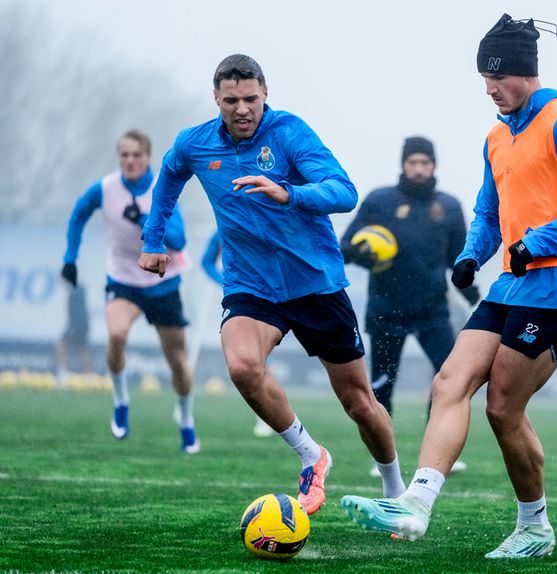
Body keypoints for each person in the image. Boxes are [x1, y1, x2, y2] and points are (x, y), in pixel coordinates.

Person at [341, 14, 557, 559]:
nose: (490, 90)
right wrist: (472, 255)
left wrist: (541, 242)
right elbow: (489, 212)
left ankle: (535, 527)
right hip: (510, 288)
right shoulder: (497, 137)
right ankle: (415, 505)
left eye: (497, 78)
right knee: (448, 380)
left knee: (502, 406)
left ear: (524, 72)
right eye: (483, 80)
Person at [138, 54, 405, 515]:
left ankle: (396, 491)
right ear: (216, 100)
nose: (242, 109)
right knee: (242, 367)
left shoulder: (289, 133)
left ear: (265, 94)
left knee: (360, 402)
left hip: (315, 283)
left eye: (250, 99)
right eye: (231, 101)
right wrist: (153, 239)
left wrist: (291, 193)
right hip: (252, 286)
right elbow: (168, 181)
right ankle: (311, 456)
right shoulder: (194, 144)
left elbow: (343, 191)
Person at [340, 136, 480, 476]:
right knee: (382, 386)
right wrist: (362, 254)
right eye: (413, 162)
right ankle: (382, 458)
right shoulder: (380, 201)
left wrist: (475, 295)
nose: (419, 169)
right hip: (386, 309)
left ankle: (439, 452)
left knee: (451, 380)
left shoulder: (448, 206)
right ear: (403, 165)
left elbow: (458, 260)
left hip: (433, 311)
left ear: (434, 166)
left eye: (425, 163)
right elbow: (345, 247)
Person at [62, 129, 199, 454]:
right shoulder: (106, 188)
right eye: (124, 155)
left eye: (136, 155)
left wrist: (148, 220)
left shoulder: (161, 188)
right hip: (123, 278)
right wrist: (70, 257)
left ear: (147, 157)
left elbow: (179, 240)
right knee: (117, 335)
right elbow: (79, 213)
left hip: (163, 282)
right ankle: (121, 400)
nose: (130, 161)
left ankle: (186, 417)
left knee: (177, 362)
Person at [201, 229, 274, 438]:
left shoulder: (259, 224)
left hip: (258, 299)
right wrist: (221, 281)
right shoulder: (221, 229)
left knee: (259, 358)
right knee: (242, 359)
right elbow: (206, 262)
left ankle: (264, 416)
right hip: (231, 299)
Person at [54, 281, 94, 386]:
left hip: (77, 325)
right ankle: (88, 377)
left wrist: (75, 326)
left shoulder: (76, 289)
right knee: (83, 349)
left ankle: (62, 375)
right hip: (80, 324)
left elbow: (79, 310)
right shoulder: (75, 289)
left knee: (61, 345)